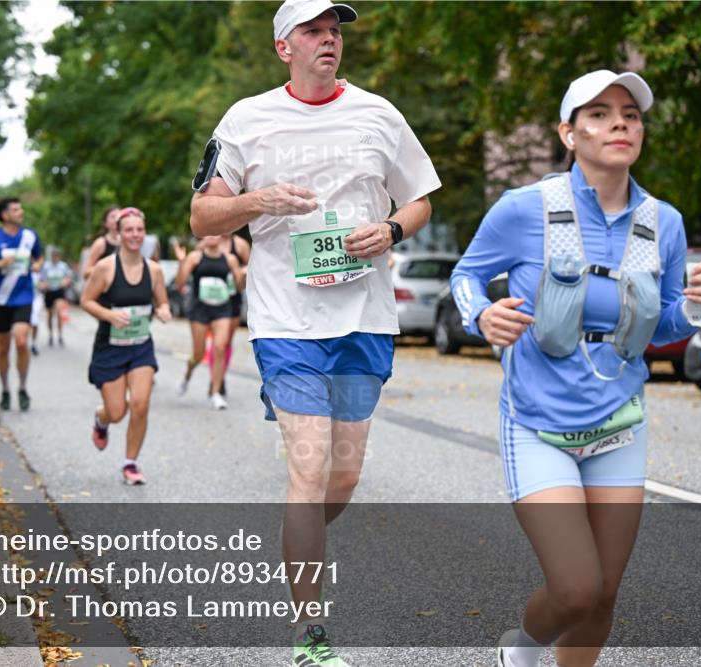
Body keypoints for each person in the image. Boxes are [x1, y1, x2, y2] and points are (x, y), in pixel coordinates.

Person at [189, 0, 440, 663]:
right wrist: (257, 201)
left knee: (343, 476)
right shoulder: (247, 119)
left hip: (365, 317)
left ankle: (298, 538)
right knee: (308, 466)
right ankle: (311, 631)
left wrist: (388, 230)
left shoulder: (379, 114)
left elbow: (420, 198)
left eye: (335, 32)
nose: (329, 41)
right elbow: (202, 217)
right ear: (284, 47)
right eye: (314, 31)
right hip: (286, 320)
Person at [450, 70, 701, 667]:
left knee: (602, 596)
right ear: (568, 134)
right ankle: (521, 651)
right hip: (538, 426)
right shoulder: (524, 209)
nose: (620, 123)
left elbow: (664, 325)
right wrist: (481, 315)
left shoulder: (662, 222)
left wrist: (696, 308)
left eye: (630, 113)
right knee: (575, 587)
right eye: (599, 114)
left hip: (618, 426)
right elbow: (465, 276)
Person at [81, 208, 171, 485]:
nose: (135, 235)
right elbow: (86, 300)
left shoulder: (154, 269)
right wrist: (109, 315)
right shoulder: (106, 267)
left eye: (139, 230)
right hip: (110, 348)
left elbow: (162, 301)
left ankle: (130, 463)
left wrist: (164, 311)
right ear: (118, 234)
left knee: (141, 404)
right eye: (129, 230)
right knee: (117, 411)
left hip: (140, 347)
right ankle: (102, 418)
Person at [0, 197, 43, 411]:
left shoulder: (30, 236)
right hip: (0, 299)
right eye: (16, 209)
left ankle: (22, 387)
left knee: (21, 341)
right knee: (3, 346)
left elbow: (39, 258)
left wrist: (36, 266)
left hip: (24, 296)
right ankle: (5, 389)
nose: (21, 212)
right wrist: (0, 264)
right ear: (5, 215)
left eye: (21, 208)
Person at [173, 234, 245, 409]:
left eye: (216, 232)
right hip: (200, 309)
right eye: (209, 232)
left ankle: (215, 392)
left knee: (220, 347)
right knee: (198, 353)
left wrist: (241, 275)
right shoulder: (195, 257)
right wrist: (182, 262)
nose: (212, 236)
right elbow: (179, 283)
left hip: (222, 308)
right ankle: (187, 375)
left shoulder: (230, 259)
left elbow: (239, 287)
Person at [40, 248, 73, 347]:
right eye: (53, 256)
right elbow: (41, 279)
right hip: (49, 291)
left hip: (59, 291)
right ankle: (50, 334)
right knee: (50, 314)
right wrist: (43, 284)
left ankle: (60, 335)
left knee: (59, 313)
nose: (55, 258)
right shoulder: (46, 266)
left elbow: (68, 277)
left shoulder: (63, 266)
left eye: (56, 256)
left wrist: (65, 282)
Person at [82, 207, 121, 280]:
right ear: (105, 223)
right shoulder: (101, 243)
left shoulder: (127, 243)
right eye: (113, 216)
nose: (116, 219)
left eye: (119, 216)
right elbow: (86, 272)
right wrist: (107, 269)